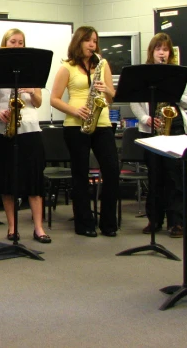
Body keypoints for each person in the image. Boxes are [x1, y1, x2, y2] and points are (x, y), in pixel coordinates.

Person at [50, 25, 119, 237]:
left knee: (112, 171)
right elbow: (54, 99)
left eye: (95, 41)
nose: (92, 45)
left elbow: (111, 96)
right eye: (88, 40)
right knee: (80, 174)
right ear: (78, 42)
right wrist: (75, 110)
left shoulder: (103, 64)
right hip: (75, 124)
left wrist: (106, 89)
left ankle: (108, 222)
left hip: (102, 122)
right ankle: (84, 222)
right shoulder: (67, 67)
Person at [0, 28, 51, 243]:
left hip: (30, 128)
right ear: (5, 44)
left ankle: (38, 228)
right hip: (5, 129)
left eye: (20, 42)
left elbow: (40, 102)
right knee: (7, 180)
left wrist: (32, 90)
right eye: (12, 42)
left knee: (34, 179)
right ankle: (12, 228)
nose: (17, 45)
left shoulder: (33, 70)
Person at [130, 33, 187, 238]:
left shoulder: (178, 73)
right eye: (158, 49)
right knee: (154, 177)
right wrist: (146, 119)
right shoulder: (144, 74)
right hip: (151, 129)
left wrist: (172, 91)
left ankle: (177, 223)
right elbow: (134, 102)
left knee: (175, 177)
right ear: (152, 52)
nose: (162, 53)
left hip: (174, 129)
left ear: (170, 52)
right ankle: (154, 220)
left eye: (165, 49)